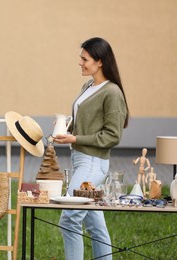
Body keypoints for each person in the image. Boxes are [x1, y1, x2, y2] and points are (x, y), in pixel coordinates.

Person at [54, 37, 129, 260]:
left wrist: (75, 138)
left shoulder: (112, 92)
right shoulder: (88, 86)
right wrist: (67, 126)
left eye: (84, 59)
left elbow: (112, 135)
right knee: (94, 225)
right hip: (81, 161)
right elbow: (87, 121)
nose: (80, 62)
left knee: (69, 219)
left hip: (93, 163)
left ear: (100, 62)